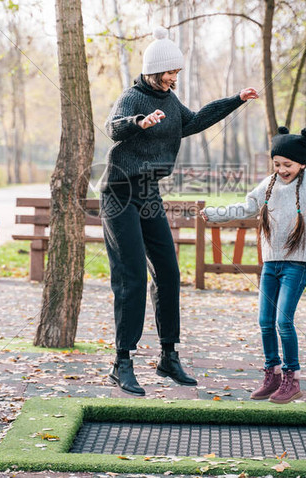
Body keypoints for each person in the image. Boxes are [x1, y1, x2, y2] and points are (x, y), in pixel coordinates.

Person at [101, 26, 259, 396]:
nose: (174, 78)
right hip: (119, 194)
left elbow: (195, 121)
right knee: (132, 277)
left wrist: (235, 99)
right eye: (169, 72)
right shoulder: (133, 97)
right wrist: (139, 122)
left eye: (177, 73)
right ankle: (121, 362)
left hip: (149, 193)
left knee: (169, 272)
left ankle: (168, 357)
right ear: (153, 70)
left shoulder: (170, 101)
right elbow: (113, 128)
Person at [200, 127, 306, 404]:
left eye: (287, 165)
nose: (281, 170)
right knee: (265, 322)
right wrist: (214, 214)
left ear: (302, 163)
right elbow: (246, 207)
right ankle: (273, 374)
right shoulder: (268, 185)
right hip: (271, 264)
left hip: (296, 265)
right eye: (277, 164)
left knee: (283, 321)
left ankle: (292, 378)